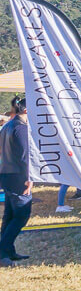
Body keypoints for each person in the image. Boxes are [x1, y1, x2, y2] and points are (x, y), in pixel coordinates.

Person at [0, 96, 32, 266]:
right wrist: (29, 178)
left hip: (7, 174)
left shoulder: (7, 126)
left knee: (10, 215)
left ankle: (8, 251)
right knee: (21, 214)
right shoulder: (21, 128)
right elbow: (24, 156)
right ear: (26, 110)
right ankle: (3, 250)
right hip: (18, 177)